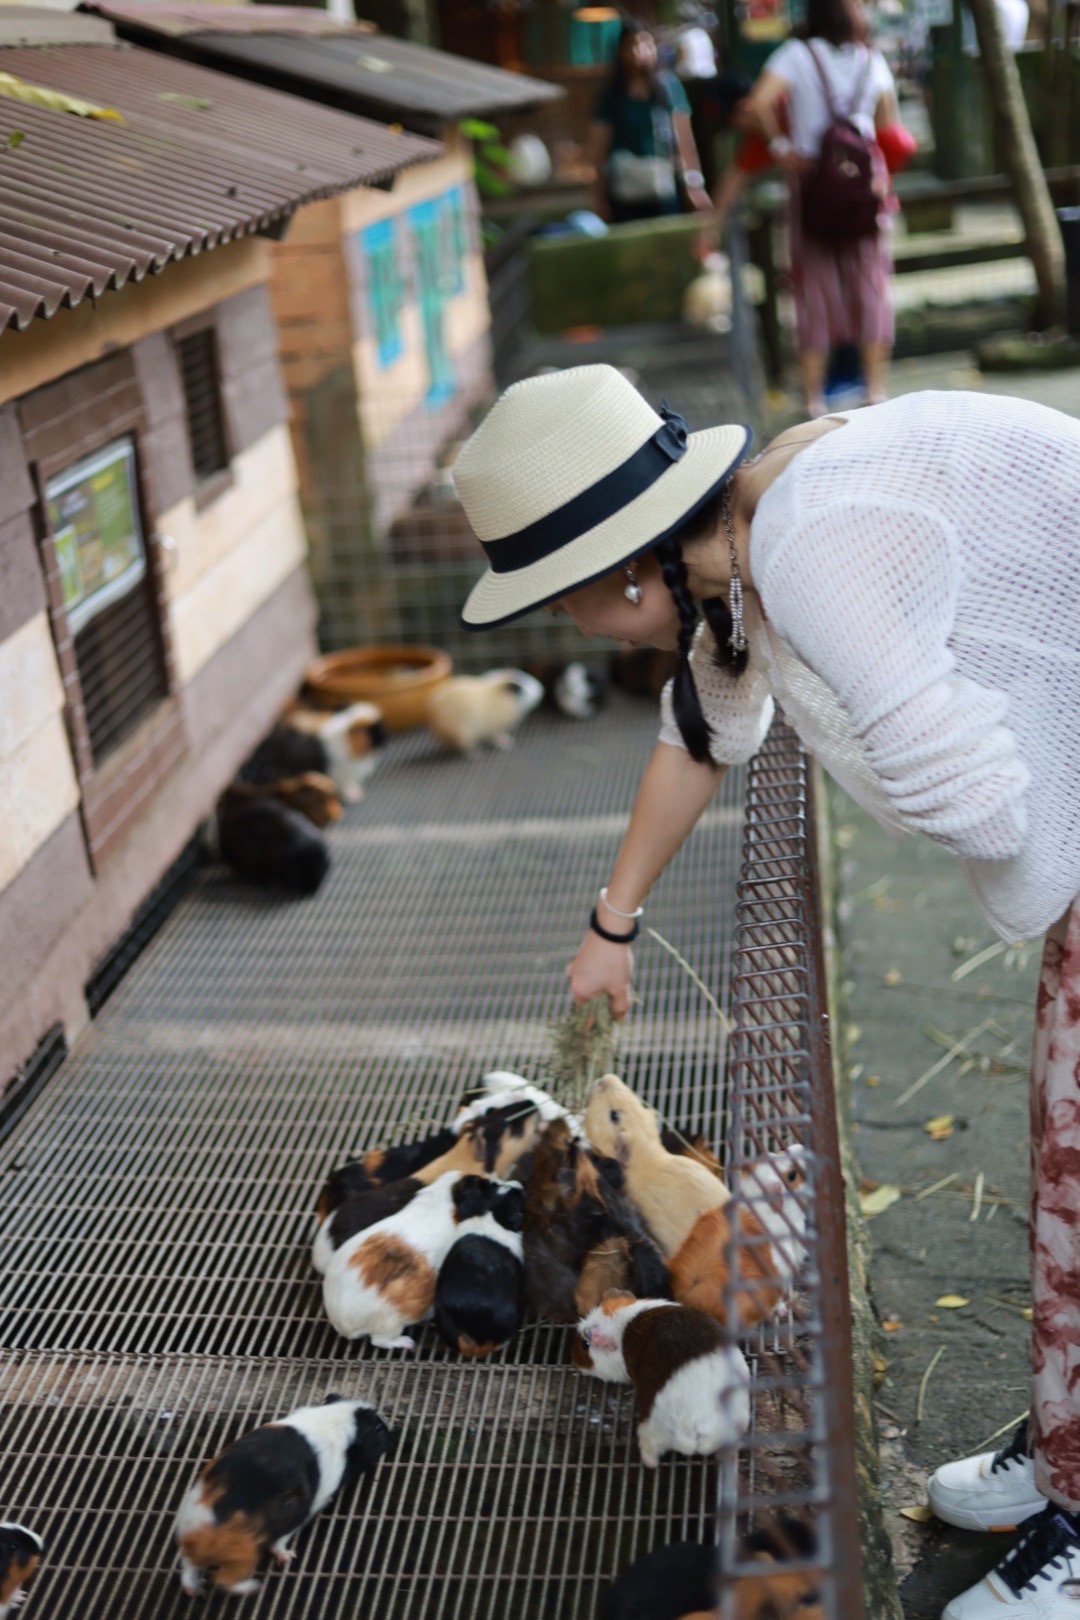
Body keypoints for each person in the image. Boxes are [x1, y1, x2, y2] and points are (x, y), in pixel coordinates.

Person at [452, 363, 1080, 1620]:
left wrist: (891, 763)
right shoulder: (748, 549)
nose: (569, 627)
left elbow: (983, 798)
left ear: (618, 571)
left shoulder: (809, 548)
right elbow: (705, 729)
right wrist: (610, 927)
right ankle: (1068, 1453)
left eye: (557, 598)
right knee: (1063, 1154)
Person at [733, 0, 899, 417]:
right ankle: (875, 390)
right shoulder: (871, 60)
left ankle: (813, 398)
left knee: (814, 292)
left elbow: (757, 104)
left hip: (811, 186)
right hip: (865, 188)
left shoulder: (795, 56)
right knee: (872, 286)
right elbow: (888, 123)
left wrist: (781, 147)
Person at [588, 18, 713, 225]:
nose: (640, 51)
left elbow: (685, 142)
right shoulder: (611, 95)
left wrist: (694, 185)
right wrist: (598, 197)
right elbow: (598, 148)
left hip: (663, 188)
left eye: (646, 44)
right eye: (632, 45)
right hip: (624, 192)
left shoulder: (668, 88)